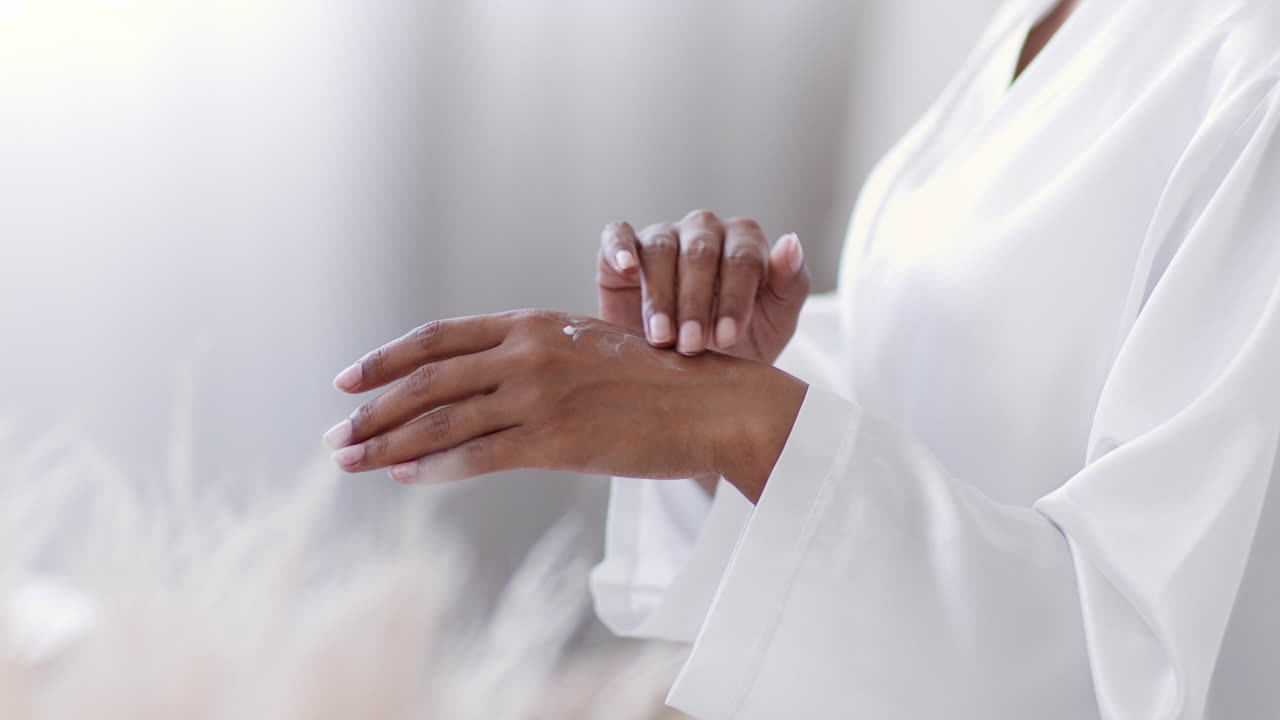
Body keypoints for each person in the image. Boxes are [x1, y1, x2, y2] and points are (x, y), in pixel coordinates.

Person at [323, 0, 1280, 715]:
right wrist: (717, 381)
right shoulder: (1049, 21)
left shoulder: (1252, 68)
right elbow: (930, 399)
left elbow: (1139, 672)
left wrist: (740, 423)